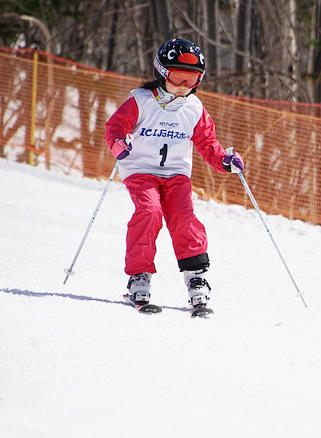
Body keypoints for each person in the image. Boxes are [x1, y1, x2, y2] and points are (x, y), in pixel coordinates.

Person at [104, 37, 244, 317]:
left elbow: (208, 143)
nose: (184, 87)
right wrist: (118, 143)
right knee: (149, 211)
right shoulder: (141, 100)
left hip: (176, 175)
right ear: (161, 73)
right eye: (178, 77)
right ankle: (139, 276)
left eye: (191, 80)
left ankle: (195, 276)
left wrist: (224, 161)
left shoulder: (193, 108)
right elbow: (115, 127)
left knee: (183, 217)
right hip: (141, 171)